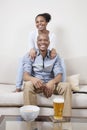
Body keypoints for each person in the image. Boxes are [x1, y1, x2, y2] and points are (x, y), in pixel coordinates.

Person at [23, 33, 72, 117]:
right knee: (27, 85)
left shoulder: (55, 56)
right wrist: (33, 79)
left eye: (45, 40)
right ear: (37, 42)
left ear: (49, 43)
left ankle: (66, 121)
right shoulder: (30, 55)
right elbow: (25, 76)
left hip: (51, 84)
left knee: (67, 86)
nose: (43, 42)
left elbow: (59, 75)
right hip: (37, 84)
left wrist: (52, 82)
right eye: (40, 40)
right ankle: (31, 119)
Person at [15, 13, 58, 92]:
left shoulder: (52, 35)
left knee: (61, 60)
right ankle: (18, 87)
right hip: (35, 54)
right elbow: (31, 46)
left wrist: (53, 51)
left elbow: (51, 48)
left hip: (46, 54)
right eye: (37, 22)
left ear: (47, 22)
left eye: (42, 21)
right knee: (23, 59)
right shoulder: (32, 33)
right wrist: (32, 50)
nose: (39, 24)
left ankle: (62, 84)